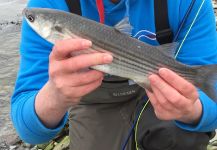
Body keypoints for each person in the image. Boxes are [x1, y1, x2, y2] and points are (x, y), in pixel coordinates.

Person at [11, 0, 217, 149]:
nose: (30, 18)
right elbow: (28, 129)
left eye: (31, 19)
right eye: (31, 18)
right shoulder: (50, 5)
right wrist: (56, 96)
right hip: (94, 104)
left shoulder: (189, 3)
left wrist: (192, 110)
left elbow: (213, 105)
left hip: (156, 96)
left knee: (180, 136)